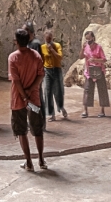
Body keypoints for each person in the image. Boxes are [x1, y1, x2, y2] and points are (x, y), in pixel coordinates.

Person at [8, 28, 46, 172]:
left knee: (21, 130)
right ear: (29, 39)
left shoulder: (13, 58)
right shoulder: (36, 55)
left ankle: (29, 162)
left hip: (18, 99)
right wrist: (30, 91)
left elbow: (16, 81)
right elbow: (41, 75)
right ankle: (41, 160)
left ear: (16, 42)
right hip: (34, 98)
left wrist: (24, 95)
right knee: (37, 129)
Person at [81, 30, 109, 117]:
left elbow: (104, 59)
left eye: (89, 39)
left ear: (93, 38)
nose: (88, 41)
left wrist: (95, 60)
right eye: (86, 39)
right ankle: (85, 110)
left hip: (99, 70)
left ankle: (102, 110)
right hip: (89, 70)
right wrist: (82, 49)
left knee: (102, 89)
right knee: (87, 89)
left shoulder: (98, 47)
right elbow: (80, 57)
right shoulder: (86, 47)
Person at [40, 30, 67, 122]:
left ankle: (61, 107)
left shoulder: (57, 45)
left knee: (58, 91)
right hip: (47, 70)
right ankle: (52, 114)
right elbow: (42, 60)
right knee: (47, 92)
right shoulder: (42, 47)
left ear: (52, 38)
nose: (48, 41)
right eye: (47, 39)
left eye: (50, 39)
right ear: (44, 38)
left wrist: (52, 50)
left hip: (56, 70)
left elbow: (60, 57)